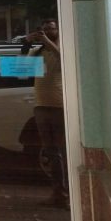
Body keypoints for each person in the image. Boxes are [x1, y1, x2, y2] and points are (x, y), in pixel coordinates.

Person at [24, 18, 68, 209]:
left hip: (59, 108)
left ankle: (67, 195)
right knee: (51, 153)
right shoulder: (38, 52)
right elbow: (20, 70)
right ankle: (58, 194)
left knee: (63, 153)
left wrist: (48, 42)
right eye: (45, 29)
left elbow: (64, 60)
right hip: (41, 107)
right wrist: (26, 43)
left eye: (52, 29)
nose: (48, 32)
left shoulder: (60, 50)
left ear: (59, 30)